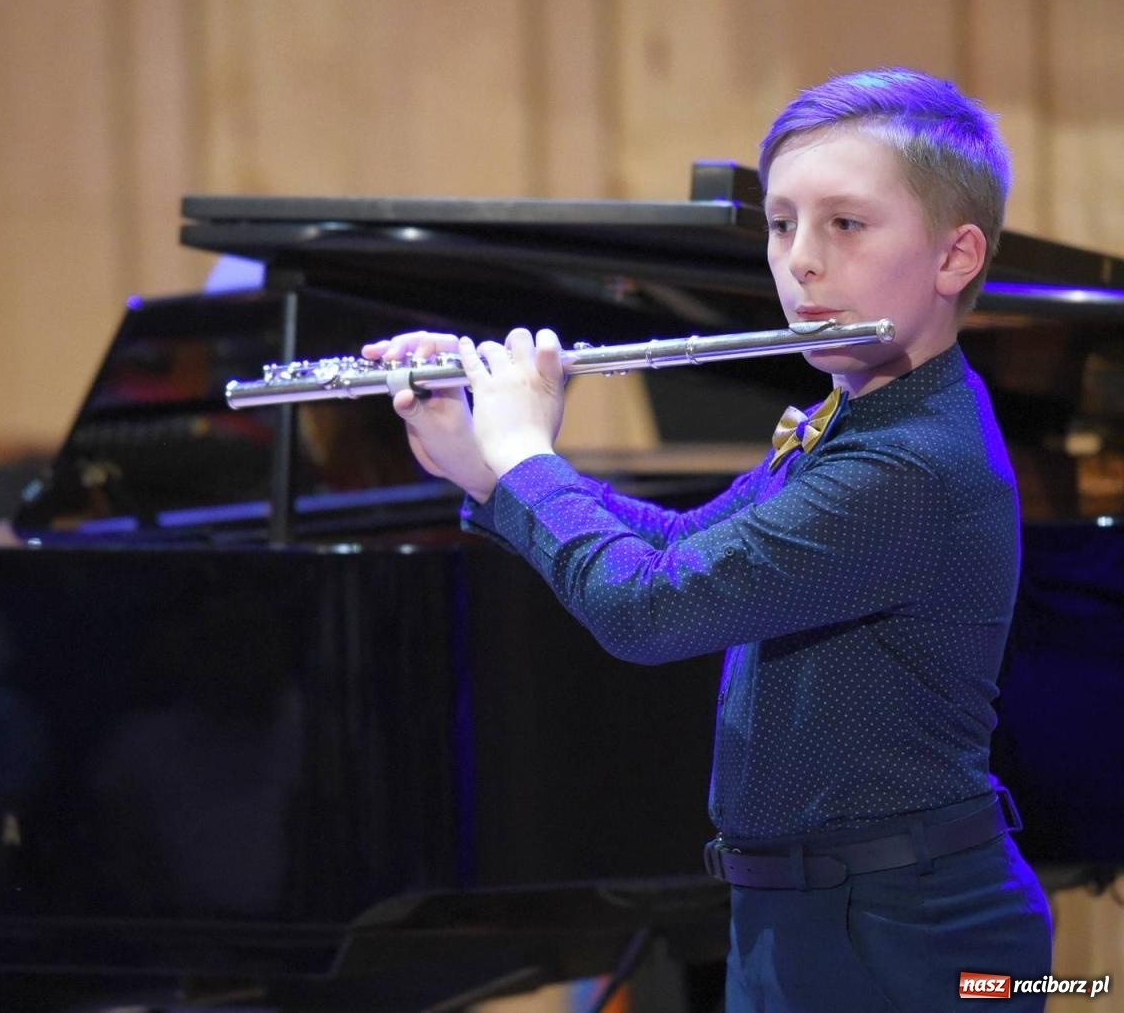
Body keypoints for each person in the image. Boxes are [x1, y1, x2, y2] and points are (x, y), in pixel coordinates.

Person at [364, 68, 1052, 1011]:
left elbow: (652, 609)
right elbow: (684, 545)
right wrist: (488, 469)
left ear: (954, 255)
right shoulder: (850, 418)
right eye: (781, 223)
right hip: (810, 910)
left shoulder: (911, 464)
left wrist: (528, 456)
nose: (799, 261)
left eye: (845, 224)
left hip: (910, 934)